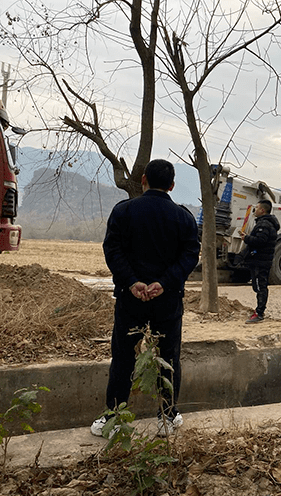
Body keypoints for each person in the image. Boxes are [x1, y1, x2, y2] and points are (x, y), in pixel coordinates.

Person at [93, 159, 200, 438]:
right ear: (172, 186)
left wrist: (132, 282)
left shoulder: (124, 211)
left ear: (143, 180)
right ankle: (167, 416)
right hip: (167, 300)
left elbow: (112, 250)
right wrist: (163, 283)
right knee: (169, 356)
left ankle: (114, 418)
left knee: (123, 357)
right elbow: (190, 255)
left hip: (131, 299)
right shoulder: (183, 217)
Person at [240, 200, 280, 324]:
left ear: (262, 210)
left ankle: (259, 313)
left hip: (260, 262)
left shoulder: (264, 225)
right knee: (259, 286)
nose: (255, 210)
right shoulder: (266, 224)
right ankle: (259, 311)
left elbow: (260, 241)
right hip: (261, 261)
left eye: (256, 207)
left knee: (260, 286)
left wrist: (246, 238)